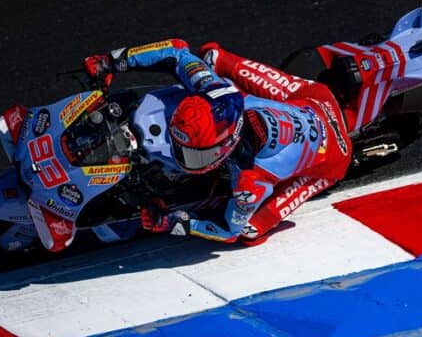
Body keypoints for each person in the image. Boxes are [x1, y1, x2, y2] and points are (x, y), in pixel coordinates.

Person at [83, 38, 353, 245]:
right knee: (210, 55)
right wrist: (113, 61)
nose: (183, 157)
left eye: (194, 155)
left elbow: (228, 231)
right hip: (311, 97)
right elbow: (176, 51)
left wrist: (171, 221)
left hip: (331, 157)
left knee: (250, 231)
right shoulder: (212, 88)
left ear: (225, 145)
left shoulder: (250, 181)